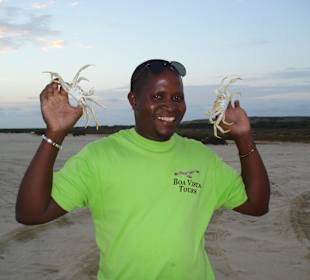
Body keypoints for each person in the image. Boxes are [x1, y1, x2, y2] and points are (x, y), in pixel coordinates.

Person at [16, 59, 270, 279]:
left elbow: (256, 205)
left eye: (177, 97)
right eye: (157, 96)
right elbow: (31, 212)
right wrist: (55, 133)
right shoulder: (99, 157)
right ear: (133, 100)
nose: (170, 106)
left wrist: (244, 137)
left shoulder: (201, 158)